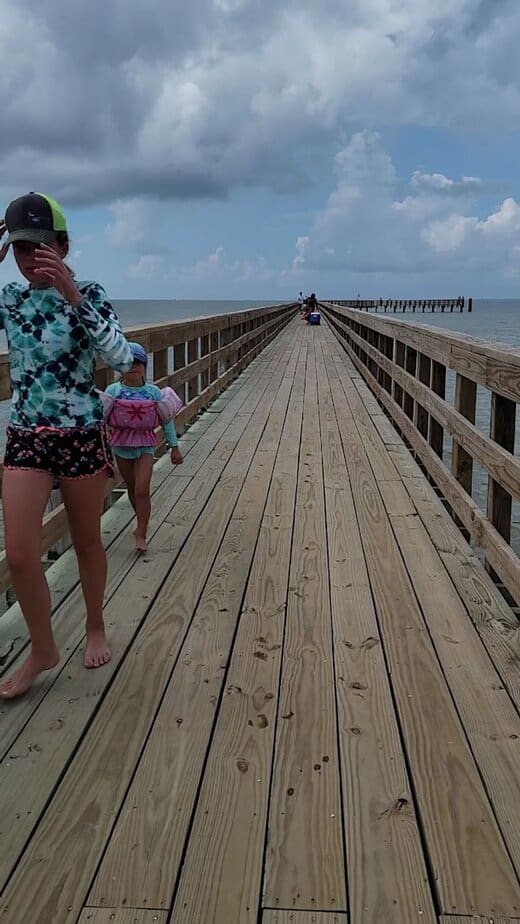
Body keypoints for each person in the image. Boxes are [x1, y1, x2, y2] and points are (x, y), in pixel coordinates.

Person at [0, 192, 134, 700]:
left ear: (63, 245)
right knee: (18, 553)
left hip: (80, 434)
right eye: (20, 250)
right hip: (27, 437)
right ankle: (43, 647)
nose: (31, 260)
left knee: (87, 542)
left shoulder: (91, 294)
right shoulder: (10, 300)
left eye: (40, 247)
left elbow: (123, 358)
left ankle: (95, 625)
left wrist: (72, 295)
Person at [105, 343, 183, 552]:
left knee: (142, 488)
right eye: (128, 362)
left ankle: (141, 532)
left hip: (146, 445)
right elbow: (100, 421)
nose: (133, 366)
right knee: (132, 488)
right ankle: (141, 520)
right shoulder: (113, 391)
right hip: (121, 446)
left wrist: (174, 446)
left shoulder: (154, 392)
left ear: (144, 366)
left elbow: (166, 420)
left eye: (138, 362)